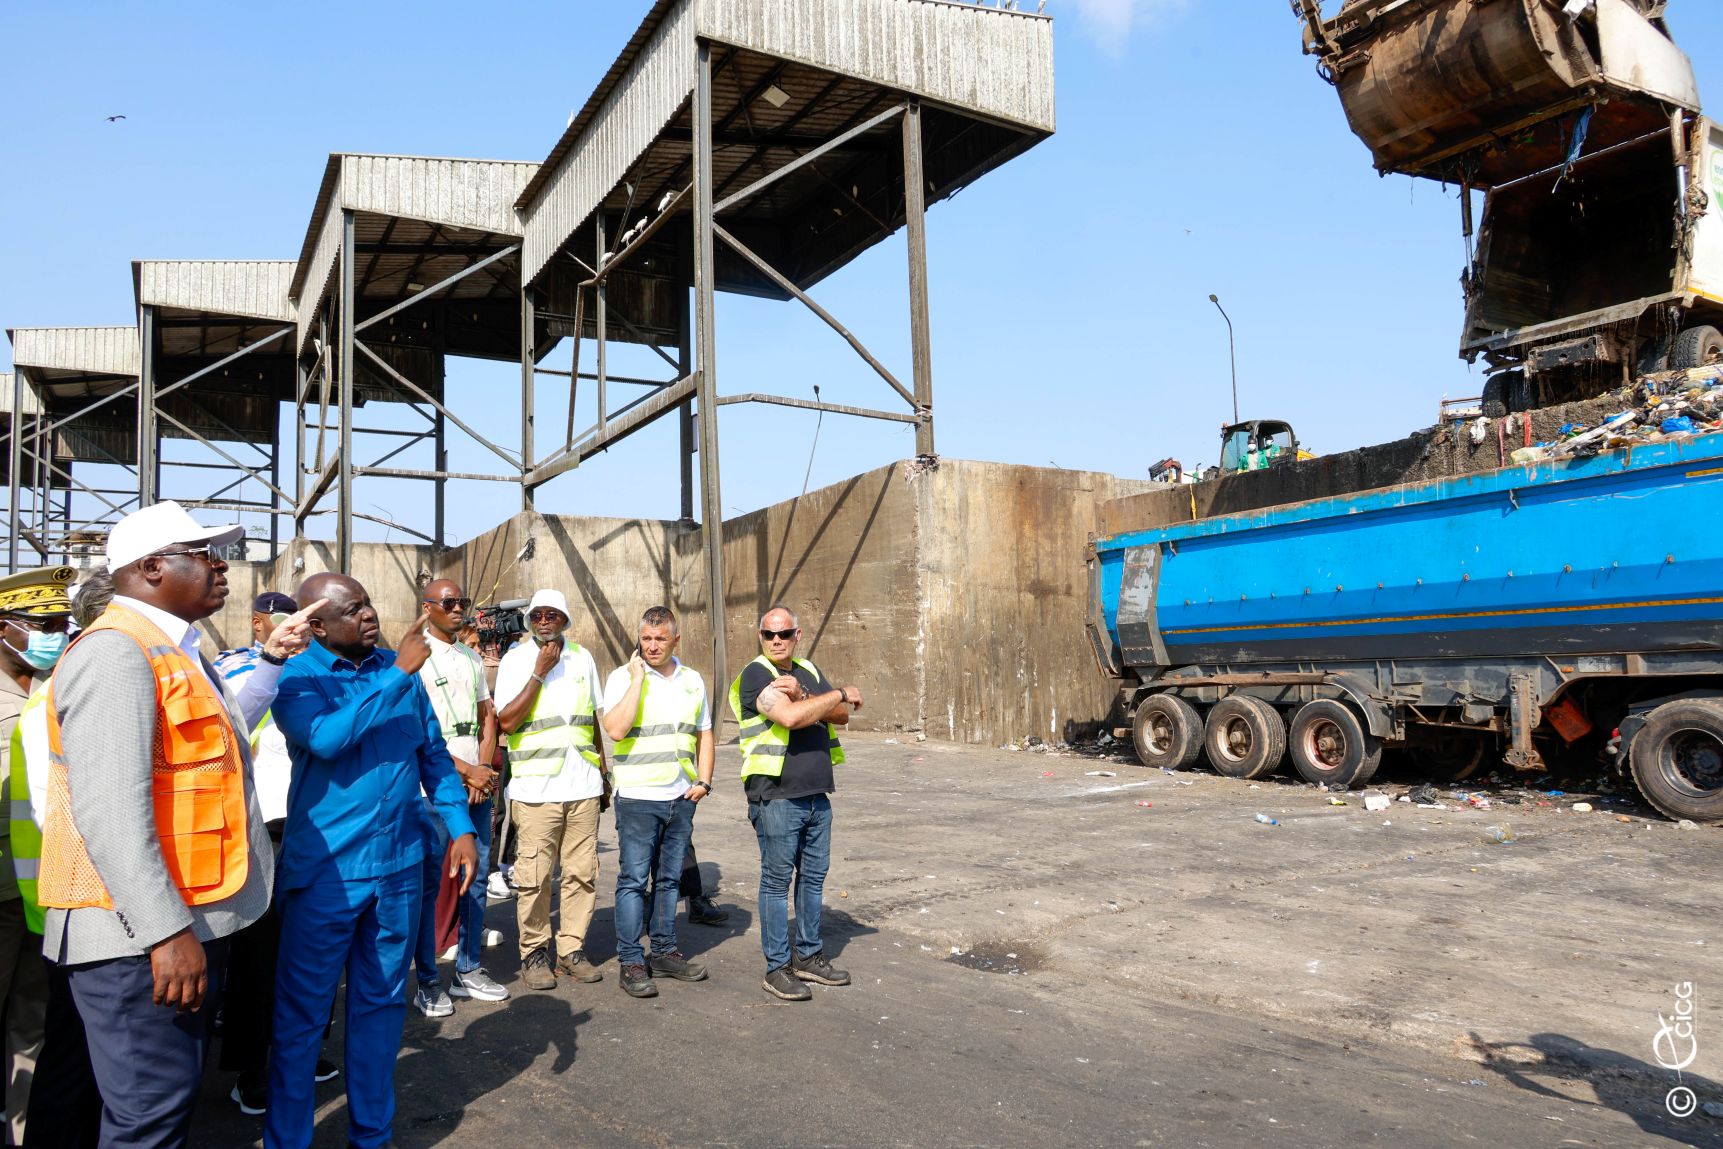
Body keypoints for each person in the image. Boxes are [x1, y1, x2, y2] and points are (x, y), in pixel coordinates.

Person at [39, 501, 310, 1149]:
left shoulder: (175, 650)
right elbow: (110, 811)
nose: (223, 569)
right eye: (206, 555)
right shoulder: (116, 654)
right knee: (149, 1118)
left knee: (158, 1108)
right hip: (135, 937)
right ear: (153, 567)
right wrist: (165, 933)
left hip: (168, 923)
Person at [265, 574, 477, 1149]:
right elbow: (329, 739)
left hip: (399, 868)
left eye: (368, 605)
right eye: (353, 609)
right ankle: (288, 1139)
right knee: (302, 1018)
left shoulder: (395, 668)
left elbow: (432, 753)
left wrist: (459, 826)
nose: (369, 616)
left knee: (381, 1008)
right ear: (316, 624)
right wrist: (397, 674)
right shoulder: (297, 677)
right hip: (327, 874)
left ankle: (371, 1136)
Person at [213, 590, 341, 1115]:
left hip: (317, 831)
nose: (297, 630)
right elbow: (235, 722)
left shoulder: (320, 670)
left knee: (312, 956)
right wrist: (276, 661)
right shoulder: (238, 670)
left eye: (304, 622)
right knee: (259, 961)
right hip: (265, 831)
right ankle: (252, 1068)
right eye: (284, 621)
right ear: (258, 623)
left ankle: (300, 1050)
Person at [16, 568, 113, 1149]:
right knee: (68, 1058)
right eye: (43, 625)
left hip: (70, 902)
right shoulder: (67, 691)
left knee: (72, 1056)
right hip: (73, 905)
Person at [728, 606, 863, 1002]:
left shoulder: (806, 669)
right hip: (776, 795)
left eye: (783, 634)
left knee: (813, 878)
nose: (775, 641)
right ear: (760, 636)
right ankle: (777, 967)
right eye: (768, 635)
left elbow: (840, 718)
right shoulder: (756, 674)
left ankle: (808, 955)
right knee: (775, 883)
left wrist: (811, 695)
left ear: (796, 635)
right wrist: (833, 695)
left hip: (816, 794)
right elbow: (788, 717)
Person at [599, 606, 715, 998]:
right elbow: (615, 729)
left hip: (680, 798)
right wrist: (637, 680)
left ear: (675, 640)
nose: (651, 646)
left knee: (668, 880)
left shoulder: (693, 680)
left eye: (660, 639)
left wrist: (704, 781)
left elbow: (705, 734)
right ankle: (631, 961)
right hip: (636, 798)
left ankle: (664, 951)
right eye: (646, 639)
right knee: (633, 880)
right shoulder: (621, 677)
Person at [495, 589, 606, 991]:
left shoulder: (583, 658)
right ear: (529, 620)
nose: (544, 620)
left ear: (564, 619)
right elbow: (506, 721)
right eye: (537, 614)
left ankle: (571, 948)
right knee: (535, 876)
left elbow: (592, 718)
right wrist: (539, 671)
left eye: (552, 614)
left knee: (581, 872)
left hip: (583, 784)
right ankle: (534, 952)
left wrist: (603, 775)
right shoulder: (515, 660)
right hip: (536, 788)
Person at [0, 565, 75, 1145]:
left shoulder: (62, 688)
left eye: (60, 623)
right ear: (6, 629)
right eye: (43, 624)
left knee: (35, 1025)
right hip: (3, 890)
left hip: (49, 894)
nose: (56, 634)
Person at [411, 579, 505, 1013]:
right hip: (434, 784)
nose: (457, 609)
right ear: (427, 607)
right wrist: (466, 772)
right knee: (431, 883)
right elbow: (418, 735)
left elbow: (488, 718)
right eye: (448, 603)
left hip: (475, 781)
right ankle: (427, 979)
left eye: (462, 602)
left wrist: (482, 769)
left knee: (477, 877)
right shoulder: (416, 659)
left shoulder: (469, 657)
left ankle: (468, 968)